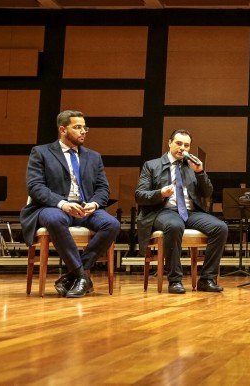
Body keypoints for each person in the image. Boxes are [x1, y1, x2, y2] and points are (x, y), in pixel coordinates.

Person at [20, 110, 120, 298]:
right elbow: (35, 186)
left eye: (84, 127)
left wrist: (95, 204)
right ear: (63, 129)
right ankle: (82, 276)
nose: (83, 131)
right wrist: (62, 203)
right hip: (53, 207)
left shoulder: (94, 156)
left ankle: (72, 276)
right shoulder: (41, 152)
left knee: (112, 224)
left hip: (85, 208)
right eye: (77, 127)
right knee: (56, 218)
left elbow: (103, 189)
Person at [135, 129, 227, 294]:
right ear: (169, 143)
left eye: (186, 145)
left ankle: (207, 279)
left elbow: (207, 193)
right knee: (174, 225)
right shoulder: (152, 165)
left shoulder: (192, 166)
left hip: (191, 212)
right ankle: (175, 280)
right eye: (178, 143)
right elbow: (140, 195)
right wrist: (160, 193)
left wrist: (200, 172)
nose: (182, 148)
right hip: (163, 211)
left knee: (220, 228)